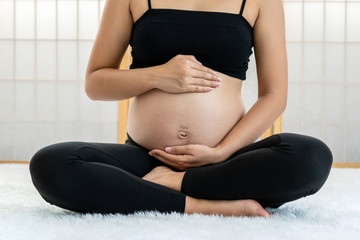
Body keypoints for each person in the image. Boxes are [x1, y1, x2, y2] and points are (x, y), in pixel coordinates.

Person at [29, 0, 333, 218]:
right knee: (51, 164)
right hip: (148, 159)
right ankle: (205, 205)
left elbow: (274, 95)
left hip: (224, 160)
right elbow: (95, 83)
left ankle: (175, 185)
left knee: (311, 157)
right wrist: (158, 75)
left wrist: (221, 152)